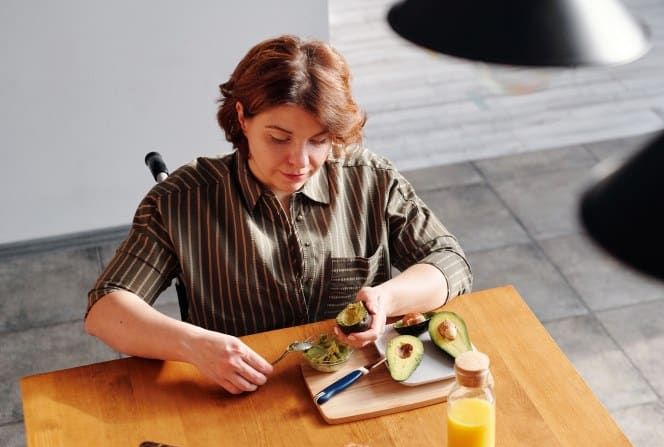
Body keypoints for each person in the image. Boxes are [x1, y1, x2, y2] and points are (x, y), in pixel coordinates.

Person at [84, 35, 472, 395]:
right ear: (243, 118)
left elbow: (450, 263)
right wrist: (193, 344)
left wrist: (388, 299)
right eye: (279, 138)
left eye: (318, 141)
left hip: (355, 388)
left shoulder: (370, 179)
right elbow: (106, 308)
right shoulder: (181, 201)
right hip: (244, 393)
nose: (299, 162)